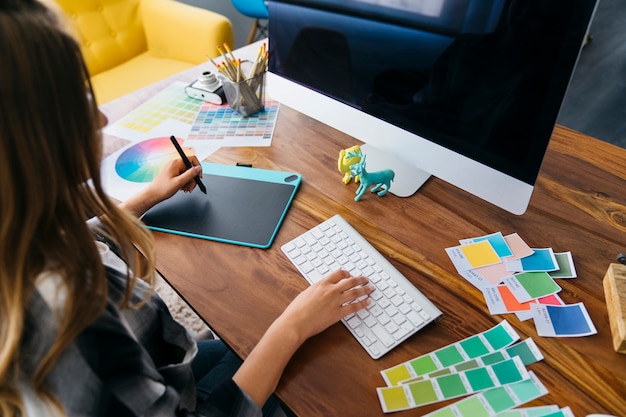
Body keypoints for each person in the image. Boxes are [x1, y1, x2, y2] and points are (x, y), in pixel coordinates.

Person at [0, 1, 374, 416]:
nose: (101, 119)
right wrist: (293, 325)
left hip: (161, 366)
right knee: (315, 377)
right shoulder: (74, 320)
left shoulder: (19, 239)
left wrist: (144, 199)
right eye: (82, 100)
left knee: (247, 340)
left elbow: (75, 240)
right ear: (33, 139)